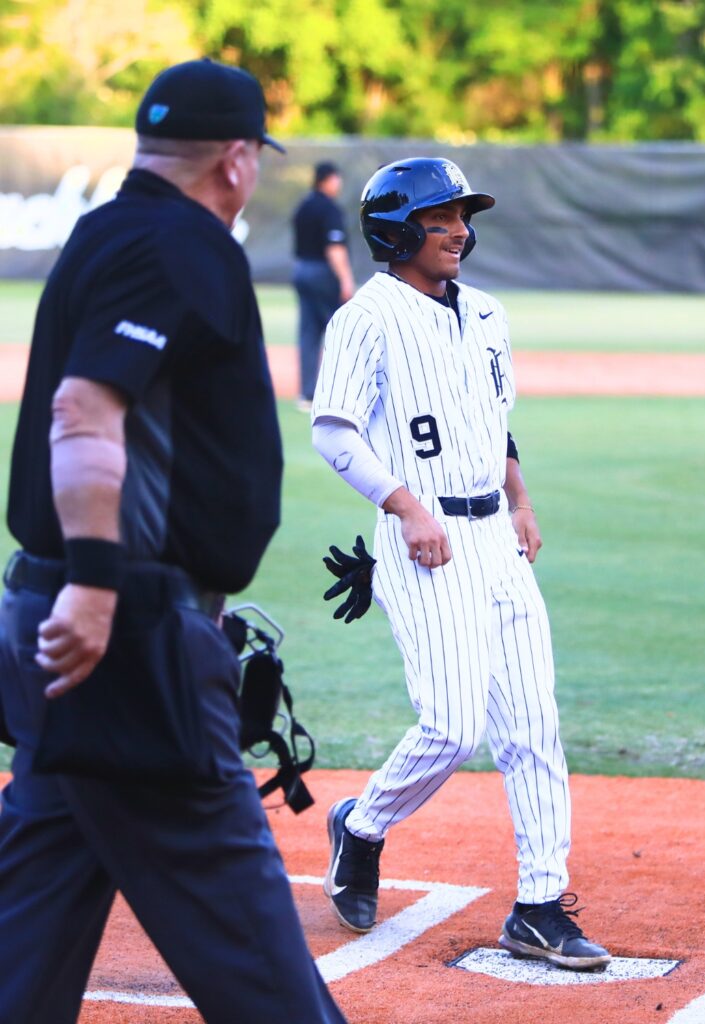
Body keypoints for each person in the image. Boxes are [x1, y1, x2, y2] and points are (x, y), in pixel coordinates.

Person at [0, 59, 347, 1023]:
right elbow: (84, 410)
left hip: (63, 619)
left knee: (25, 932)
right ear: (237, 161)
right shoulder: (181, 247)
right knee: (250, 946)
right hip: (125, 638)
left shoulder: (104, 232)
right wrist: (101, 588)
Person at [311, 157, 611, 971]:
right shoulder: (365, 318)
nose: (459, 230)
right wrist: (405, 508)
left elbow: (495, 420)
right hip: (424, 536)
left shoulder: (485, 313)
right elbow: (334, 431)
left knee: (532, 725)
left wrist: (522, 501)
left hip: (494, 535)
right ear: (397, 230)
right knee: (451, 724)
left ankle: (541, 905)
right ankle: (362, 826)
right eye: (440, 217)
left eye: (462, 216)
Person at [292, 160, 356, 410]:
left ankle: (307, 394)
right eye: (336, 178)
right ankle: (338, 394)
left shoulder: (303, 206)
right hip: (322, 272)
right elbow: (334, 248)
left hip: (301, 269)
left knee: (308, 333)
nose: (338, 183)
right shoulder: (329, 209)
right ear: (327, 180)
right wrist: (346, 279)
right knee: (337, 330)